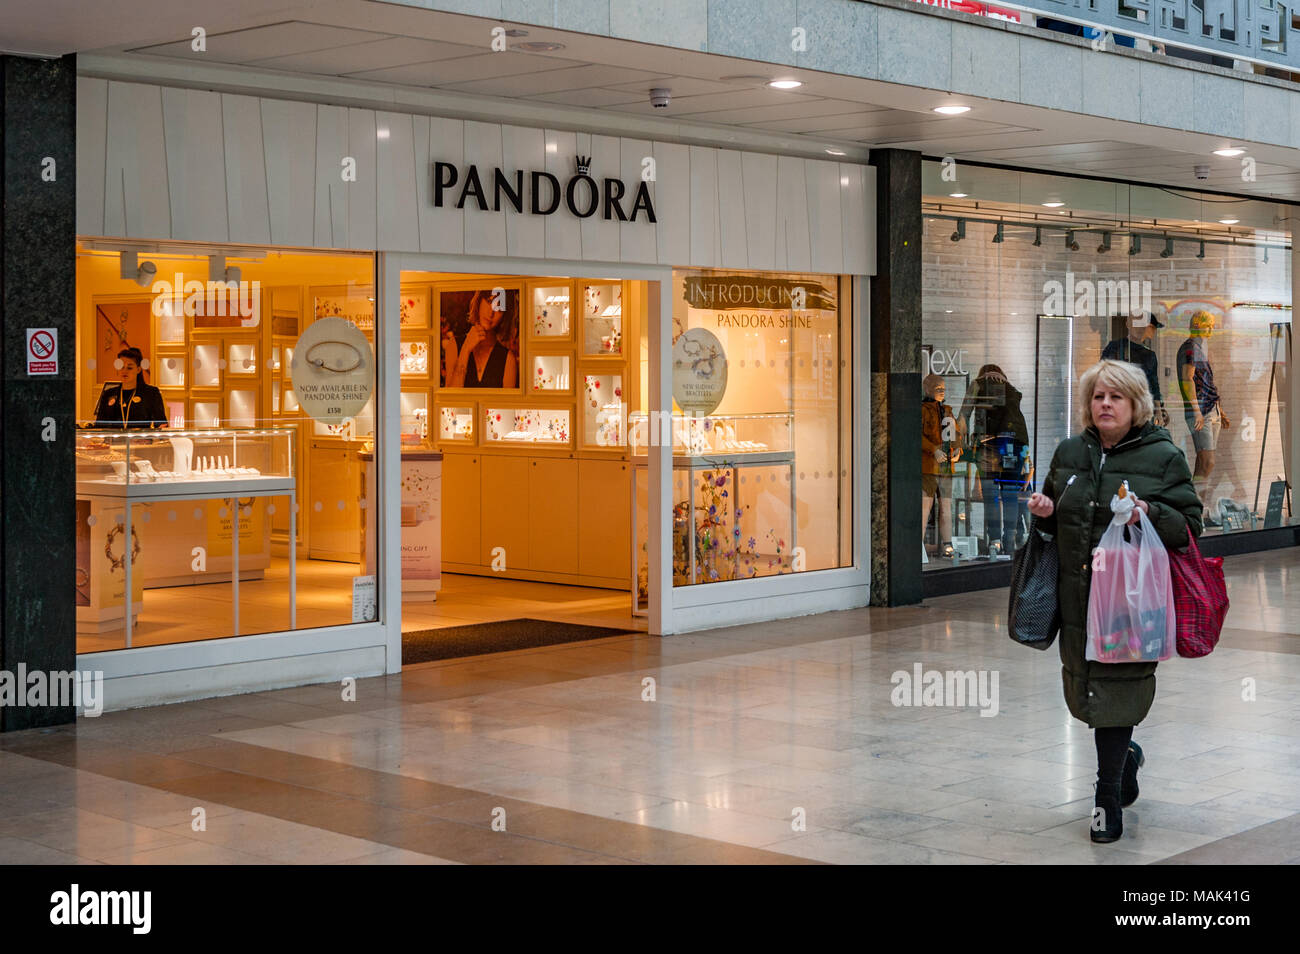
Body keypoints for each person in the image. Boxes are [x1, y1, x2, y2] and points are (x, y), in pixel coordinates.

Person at [1027, 359, 1202, 843]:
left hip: (1130, 604)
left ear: (1135, 405)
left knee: (1116, 691)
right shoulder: (1068, 453)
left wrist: (1150, 511)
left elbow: (1190, 527)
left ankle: (1105, 799)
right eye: (1098, 396)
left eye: (1115, 397)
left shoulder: (1163, 457)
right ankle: (1124, 759)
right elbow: (1054, 518)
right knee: (1087, 695)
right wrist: (1043, 514)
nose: (1104, 404)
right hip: (1078, 600)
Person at [958, 364, 1029, 556]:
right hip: (1015, 442)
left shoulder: (978, 383)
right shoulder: (1011, 388)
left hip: (989, 443)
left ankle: (995, 541)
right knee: (1010, 494)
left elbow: (964, 414)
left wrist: (958, 440)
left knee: (990, 493)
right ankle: (1010, 541)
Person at [1176, 311, 1231, 525]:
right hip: (1201, 412)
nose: (1212, 329)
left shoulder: (1200, 349)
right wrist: (1196, 410)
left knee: (1203, 462)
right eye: (1208, 325)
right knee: (1208, 461)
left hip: (1211, 409)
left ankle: (1195, 509)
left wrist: (1221, 411)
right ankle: (1191, 506)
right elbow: (1186, 380)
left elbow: (1207, 382)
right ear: (1198, 325)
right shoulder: (1190, 348)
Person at [1102, 312, 1167, 425]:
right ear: (1128, 324)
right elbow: (1103, 376)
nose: (1153, 330)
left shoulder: (1149, 355)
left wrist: (1158, 411)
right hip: (1120, 408)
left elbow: (1154, 385)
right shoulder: (1116, 347)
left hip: (1141, 411)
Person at [447, 290, 519, 389]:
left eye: (499, 308)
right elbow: (450, 399)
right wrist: (465, 349)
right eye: (489, 302)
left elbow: (506, 404)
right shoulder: (454, 345)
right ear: (479, 301)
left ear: (504, 315)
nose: (491, 313)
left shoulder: (508, 359)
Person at [921, 374, 960, 552]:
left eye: (943, 388)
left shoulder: (947, 411)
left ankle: (947, 545)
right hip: (928, 467)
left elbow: (956, 434)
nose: (942, 391)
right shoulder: (922, 410)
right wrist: (933, 449)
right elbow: (916, 435)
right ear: (928, 389)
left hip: (945, 468)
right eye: (938, 388)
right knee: (925, 507)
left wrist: (957, 449)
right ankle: (919, 547)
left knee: (946, 507)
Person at [91, 347, 167, 429]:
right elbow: (99, 426)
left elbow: (161, 425)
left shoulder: (151, 393)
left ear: (138, 370)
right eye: (121, 367)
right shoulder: (108, 394)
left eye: (129, 368)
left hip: (140, 441)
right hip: (113, 441)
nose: (124, 371)